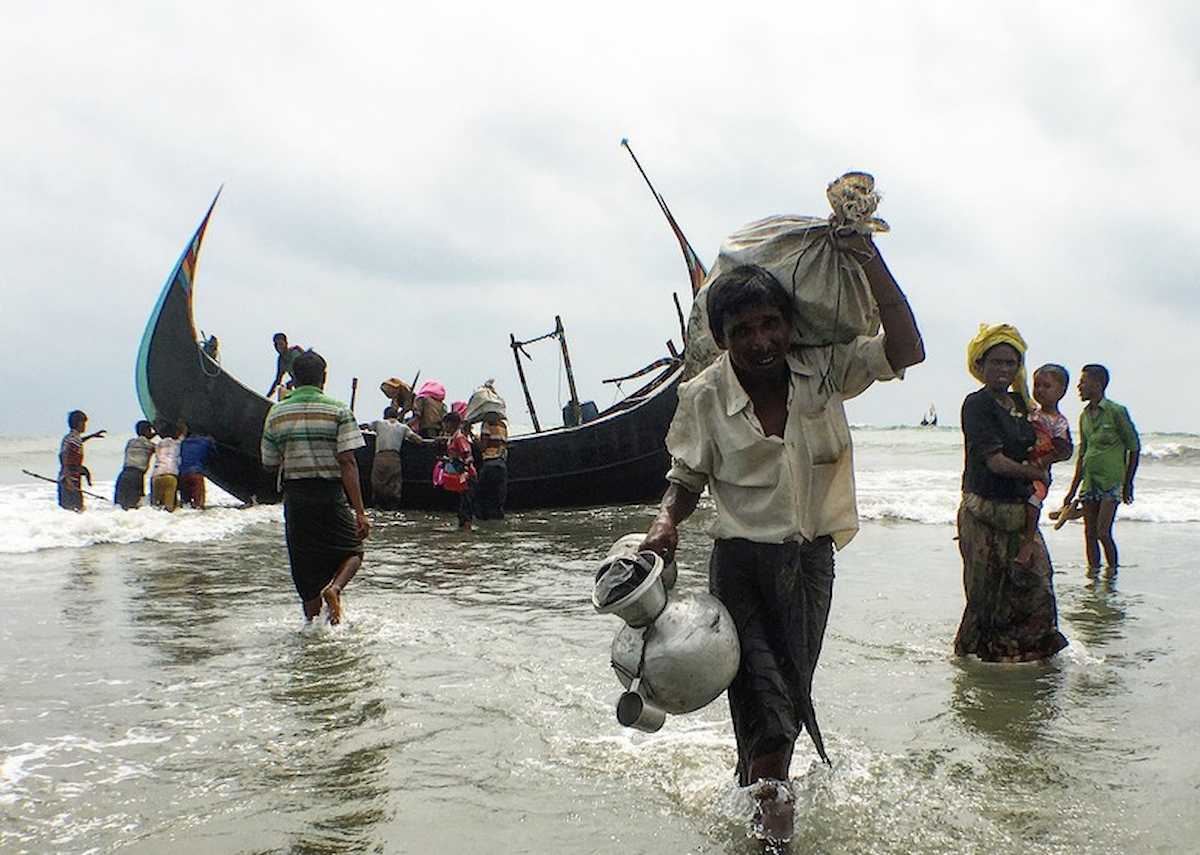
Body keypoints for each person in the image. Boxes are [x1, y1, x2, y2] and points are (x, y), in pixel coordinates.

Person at [640, 240, 924, 848]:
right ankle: (775, 838)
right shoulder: (704, 396)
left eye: (772, 324)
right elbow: (685, 478)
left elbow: (908, 350)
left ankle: (756, 795)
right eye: (744, 330)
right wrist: (666, 524)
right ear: (722, 339)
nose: (761, 340)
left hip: (810, 565)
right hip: (740, 568)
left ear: (790, 325)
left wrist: (866, 255)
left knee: (786, 700)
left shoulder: (822, 367)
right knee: (768, 707)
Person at [953, 324, 1069, 664]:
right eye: (997, 362)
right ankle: (975, 665)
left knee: (1036, 588)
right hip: (983, 511)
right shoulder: (977, 405)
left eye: (1011, 364)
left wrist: (1053, 455)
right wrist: (1037, 473)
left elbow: (1056, 441)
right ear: (981, 365)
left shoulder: (1023, 405)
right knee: (985, 596)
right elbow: (996, 463)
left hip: (1020, 514)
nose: (1004, 370)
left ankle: (1029, 659)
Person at [261, 349, 370, 624]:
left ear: (293, 379)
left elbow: (269, 463)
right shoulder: (338, 410)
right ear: (324, 378)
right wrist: (359, 511)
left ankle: (313, 632)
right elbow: (348, 462)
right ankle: (335, 589)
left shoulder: (277, 413)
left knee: (306, 572)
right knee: (353, 550)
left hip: (296, 498)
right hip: (329, 494)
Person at [1058, 364, 1140, 577]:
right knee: (1089, 533)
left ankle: (1112, 575)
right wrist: (1072, 490)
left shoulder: (1116, 412)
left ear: (1098, 384)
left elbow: (1134, 447)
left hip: (1111, 481)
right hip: (1090, 482)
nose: (1079, 386)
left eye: (1083, 382)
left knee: (1103, 532)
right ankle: (1093, 577)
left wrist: (1128, 483)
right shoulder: (1084, 416)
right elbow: (1083, 454)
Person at [1014, 364, 1074, 567]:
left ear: (1061, 392)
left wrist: (1043, 461)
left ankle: (1029, 540)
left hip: (1039, 470)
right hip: (1023, 464)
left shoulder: (1058, 422)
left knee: (1033, 500)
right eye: (1037, 385)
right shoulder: (1032, 413)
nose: (1040, 390)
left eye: (1046, 386)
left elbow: (1065, 451)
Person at [365, 406, 434, 510]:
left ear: (385, 415)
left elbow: (366, 427)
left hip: (380, 457)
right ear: (397, 416)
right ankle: (393, 507)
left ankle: (378, 506)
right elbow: (417, 439)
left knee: (378, 482)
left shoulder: (379, 423)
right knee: (394, 483)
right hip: (395, 458)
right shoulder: (403, 427)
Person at [435, 410, 477, 530]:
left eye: (445, 423)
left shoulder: (459, 438)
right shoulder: (452, 438)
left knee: (465, 508)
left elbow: (468, 455)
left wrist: (464, 466)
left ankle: (466, 533)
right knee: (462, 506)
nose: (443, 426)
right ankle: (464, 531)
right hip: (460, 476)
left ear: (451, 424)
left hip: (467, 476)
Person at [58, 410, 105, 511]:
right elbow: (64, 456)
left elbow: (78, 442)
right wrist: (67, 477)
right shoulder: (73, 439)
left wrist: (92, 436)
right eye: (84, 423)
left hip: (69, 477)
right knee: (76, 508)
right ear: (79, 423)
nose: (85, 426)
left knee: (73, 509)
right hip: (70, 478)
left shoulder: (72, 437)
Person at [114, 420, 156, 509]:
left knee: (120, 507)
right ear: (147, 431)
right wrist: (158, 432)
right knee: (134, 506)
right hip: (136, 476)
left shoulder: (130, 442)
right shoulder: (150, 445)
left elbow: (143, 439)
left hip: (123, 475)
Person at [475, 412, 509, 520]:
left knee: (482, 500)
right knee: (497, 502)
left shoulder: (487, 424)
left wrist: (476, 441)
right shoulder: (503, 425)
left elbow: (483, 447)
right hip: (502, 465)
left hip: (489, 464)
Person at [178, 426, 217, 509]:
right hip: (196, 474)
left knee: (185, 505)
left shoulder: (183, 442)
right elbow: (214, 453)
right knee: (199, 505)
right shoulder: (205, 441)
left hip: (183, 475)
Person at [150, 421, 182, 512]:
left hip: (156, 476)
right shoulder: (177, 444)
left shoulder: (158, 445)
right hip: (170, 476)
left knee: (156, 508)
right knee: (169, 509)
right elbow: (183, 436)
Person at [265, 332, 304, 398]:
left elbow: (304, 371)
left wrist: (292, 382)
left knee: (288, 385)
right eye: (277, 345)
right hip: (297, 385)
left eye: (281, 344)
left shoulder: (294, 354)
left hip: (307, 381)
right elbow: (278, 380)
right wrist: (268, 396)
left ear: (286, 343)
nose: (279, 347)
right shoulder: (281, 360)